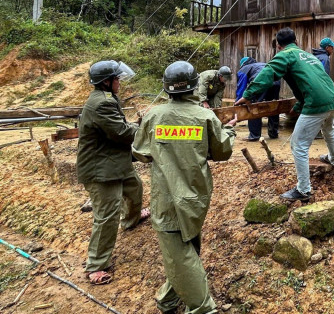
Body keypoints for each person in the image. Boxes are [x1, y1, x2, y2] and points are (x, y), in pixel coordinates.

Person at [132, 61, 236, 314]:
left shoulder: (154, 116)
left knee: (180, 251)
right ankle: (168, 300)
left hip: (167, 197)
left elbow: (140, 152)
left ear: (167, 88)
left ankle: (203, 309)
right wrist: (229, 132)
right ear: (193, 87)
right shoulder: (205, 116)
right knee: (185, 246)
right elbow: (222, 152)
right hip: (197, 195)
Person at [236, 27, 334, 201]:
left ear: (278, 46)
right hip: (332, 98)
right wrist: (299, 104)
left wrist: (248, 95)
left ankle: (304, 190)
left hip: (316, 103)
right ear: (296, 42)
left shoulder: (285, 55)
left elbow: (268, 72)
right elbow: (308, 82)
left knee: (298, 144)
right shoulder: (308, 55)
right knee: (328, 128)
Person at [77, 60, 149, 285]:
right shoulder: (101, 104)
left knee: (135, 189)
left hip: (115, 161)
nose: (120, 81)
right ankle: (96, 265)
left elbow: (119, 126)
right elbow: (122, 132)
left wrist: (136, 125)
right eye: (116, 78)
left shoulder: (107, 99)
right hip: (101, 169)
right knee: (107, 216)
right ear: (106, 82)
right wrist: (145, 127)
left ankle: (131, 219)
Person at [237, 53, 280, 141]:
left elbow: (241, 87)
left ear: (242, 64)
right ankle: (273, 133)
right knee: (273, 106)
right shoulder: (261, 64)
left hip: (261, 82)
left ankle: (254, 135)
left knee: (254, 106)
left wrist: (238, 102)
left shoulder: (244, 69)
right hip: (276, 82)